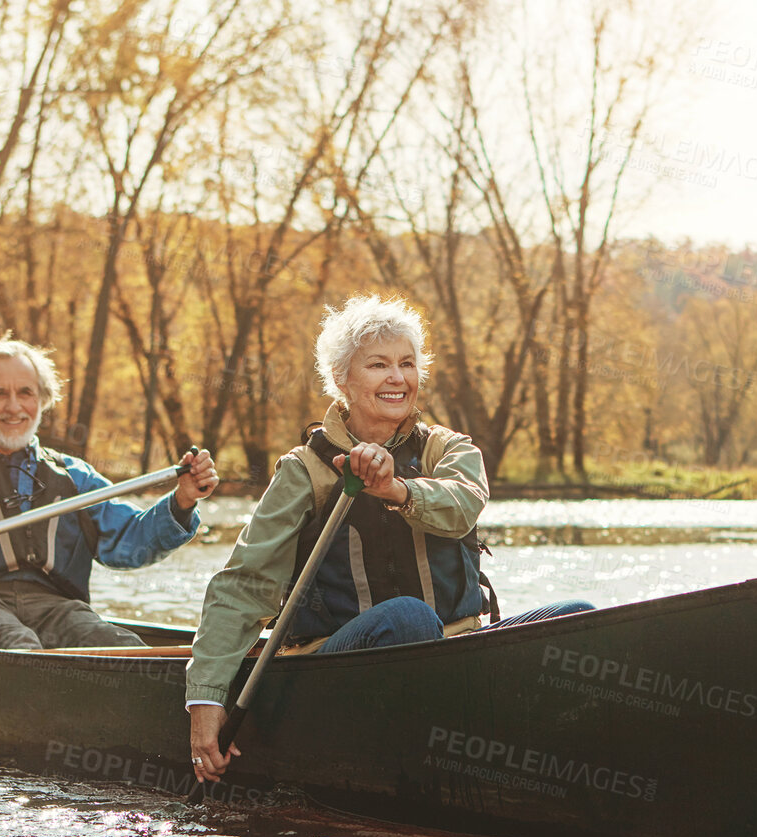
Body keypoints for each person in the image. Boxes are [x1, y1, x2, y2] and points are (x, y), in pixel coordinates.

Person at [186, 294, 592, 781]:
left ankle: (535, 762)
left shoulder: (450, 448)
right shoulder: (304, 470)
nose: (397, 378)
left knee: (580, 622)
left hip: (455, 649)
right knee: (407, 617)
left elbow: (462, 506)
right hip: (337, 667)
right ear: (342, 381)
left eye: (407, 363)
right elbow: (244, 586)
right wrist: (206, 696)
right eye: (378, 365)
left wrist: (395, 489)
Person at [0, 336, 219, 649]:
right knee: (17, 643)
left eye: (25, 393)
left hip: (56, 606)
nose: (13, 407)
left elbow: (130, 542)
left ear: (43, 401)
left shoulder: (75, 477)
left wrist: (183, 500)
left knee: (119, 644)